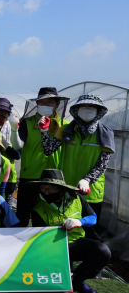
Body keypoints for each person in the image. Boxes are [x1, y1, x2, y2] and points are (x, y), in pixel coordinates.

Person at [39, 94, 114, 235]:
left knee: (91, 231)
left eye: (91, 108)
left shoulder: (105, 133)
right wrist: (44, 131)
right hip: (67, 189)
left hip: (91, 191)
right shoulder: (67, 130)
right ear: (76, 111)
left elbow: (103, 164)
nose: (87, 111)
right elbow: (48, 150)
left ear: (99, 112)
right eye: (83, 108)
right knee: (64, 229)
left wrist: (87, 180)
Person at [29, 169, 111, 293]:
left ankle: (77, 280)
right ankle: (65, 282)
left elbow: (93, 218)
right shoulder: (38, 209)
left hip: (76, 242)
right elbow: (41, 239)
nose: (46, 192)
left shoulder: (77, 198)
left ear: (61, 188)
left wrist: (79, 222)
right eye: (43, 188)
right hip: (54, 248)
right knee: (62, 288)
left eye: (51, 188)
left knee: (103, 251)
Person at [10, 87, 70, 227]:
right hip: (30, 176)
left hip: (55, 179)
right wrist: (14, 129)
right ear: (37, 104)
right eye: (42, 102)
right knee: (23, 215)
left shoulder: (65, 126)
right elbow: (18, 144)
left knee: (50, 217)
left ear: (57, 104)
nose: (46, 105)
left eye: (50, 102)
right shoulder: (28, 122)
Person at [0, 98, 20, 201]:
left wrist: (5, 146)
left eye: (4, 113)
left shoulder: (11, 129)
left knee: (5, 208)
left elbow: (17, 155)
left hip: (8, 177)